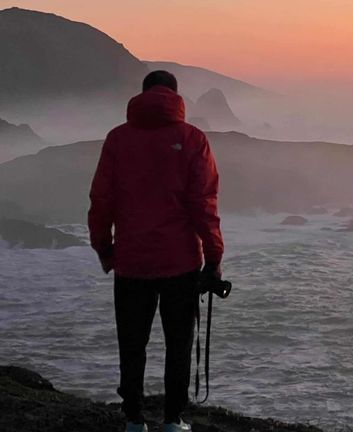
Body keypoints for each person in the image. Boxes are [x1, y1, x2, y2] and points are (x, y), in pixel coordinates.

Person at [88, 70, 224, 432]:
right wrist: (213, 260)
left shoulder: (118, 139)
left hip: (131, 263)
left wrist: (104, 249)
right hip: (180, 263)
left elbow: (101, 200)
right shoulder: (193, 138)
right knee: (178, 345)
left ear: (144, 93)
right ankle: (173, 420)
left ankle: (133, 419)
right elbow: (204, 205)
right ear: (176, 96)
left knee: (132, 344)